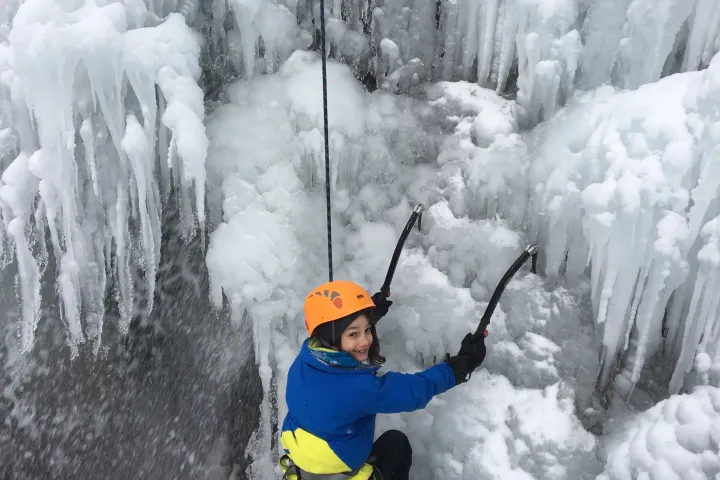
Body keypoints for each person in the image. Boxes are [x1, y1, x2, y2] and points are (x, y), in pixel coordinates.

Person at [279, 280, 487, 480]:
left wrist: (367, 315)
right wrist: (460, 367)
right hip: (338, 469)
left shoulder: (305, 359)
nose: (365, 340)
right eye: (353, 334)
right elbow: (413, 390)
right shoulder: (360, 388)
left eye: (367, 330)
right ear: (331, 339)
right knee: (397, 444)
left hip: (304, 464)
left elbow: (340, 337)